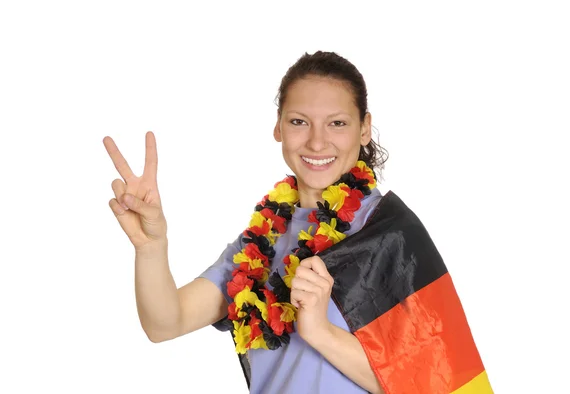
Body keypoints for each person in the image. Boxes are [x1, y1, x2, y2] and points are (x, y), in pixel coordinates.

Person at [103, 51, 492, 394]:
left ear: (364, 127)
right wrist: (151, 247)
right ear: (278, 127)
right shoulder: (260, 242)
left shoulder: (389, 233)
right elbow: (165, 323)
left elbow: (430, 382)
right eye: (299, 121)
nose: (318, 142)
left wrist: (319, 332)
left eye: (337, 123)